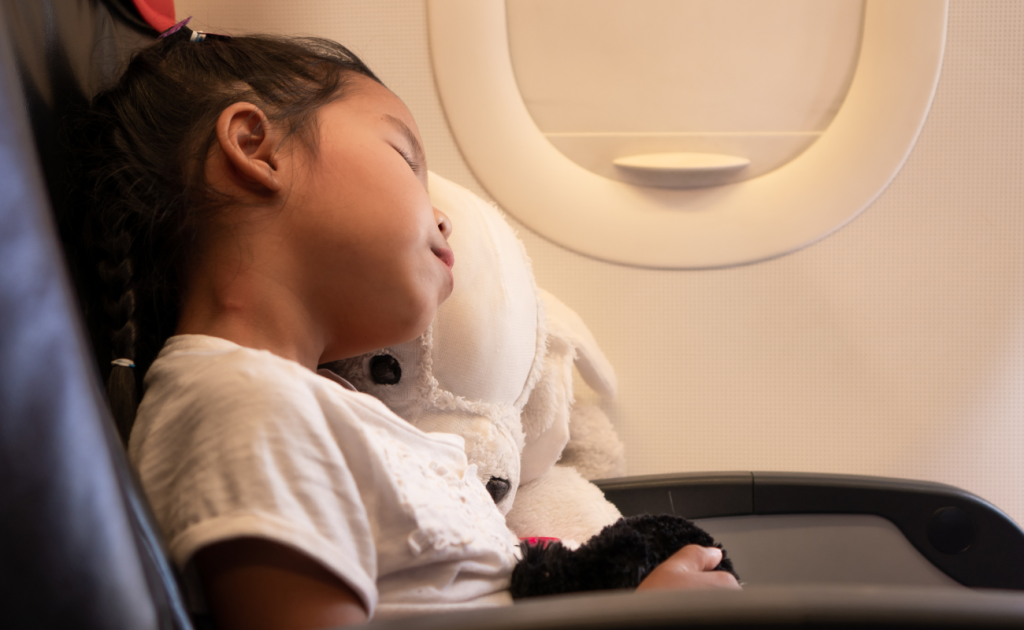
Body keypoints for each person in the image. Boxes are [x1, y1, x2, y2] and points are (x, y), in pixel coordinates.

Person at [77, 23, 739, 630]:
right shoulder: (243, 407)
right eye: (405, 157)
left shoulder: (309, 404)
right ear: (257, 149)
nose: (441, 216)